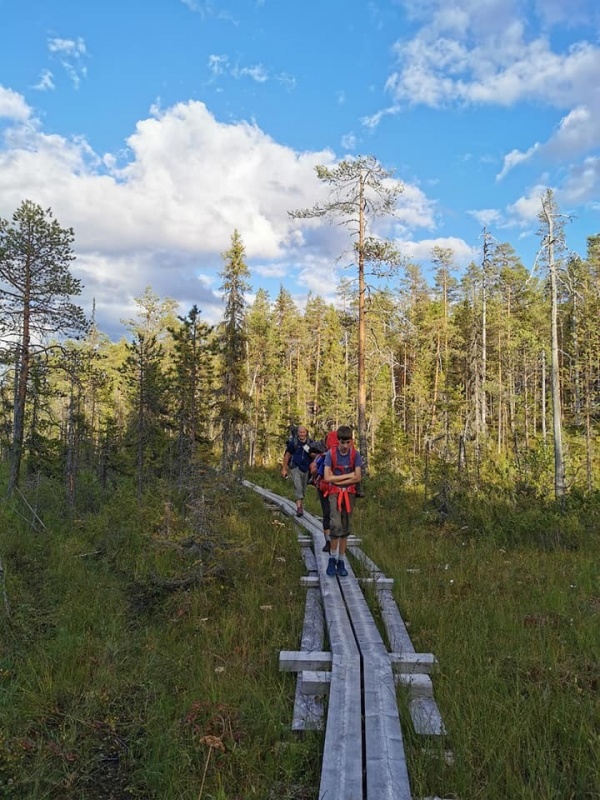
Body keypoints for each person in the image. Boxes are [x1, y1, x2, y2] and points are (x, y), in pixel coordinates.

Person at [323, 425, 363, 577]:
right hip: (334, 494)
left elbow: (358, 477)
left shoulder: (355, 455)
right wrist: (348, 476)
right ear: (337, 441)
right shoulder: (330, 454)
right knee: (335, 525)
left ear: (351, 441)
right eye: (342, 442)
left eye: (348, 442)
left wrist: (336, 478)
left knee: (345, 527)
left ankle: (341, 560)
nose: (345, 446)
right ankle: (332, 559)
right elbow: (327, 478)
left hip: (350, 494)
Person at [281, 425, 317, 517]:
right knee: (298, 486)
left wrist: (310, 452)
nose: (301, 434)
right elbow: (287, 455)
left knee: (303, 489)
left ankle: (300, 505)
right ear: (298, 433)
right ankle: (299, 508)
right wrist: (284, 468)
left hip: (306, 468)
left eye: (303, 432)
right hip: (295, 467)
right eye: (300, 432)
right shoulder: (293, 442)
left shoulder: (311, 443)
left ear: (306, 433)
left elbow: (315, 456)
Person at [308, 445, 331, 552]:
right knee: (332, 514)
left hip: (323, 487)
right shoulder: (323, 456)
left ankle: (329, 542)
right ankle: (331, 541)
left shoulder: (321, 456)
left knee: (327, 513)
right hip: (330, 487)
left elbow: (313, 471)